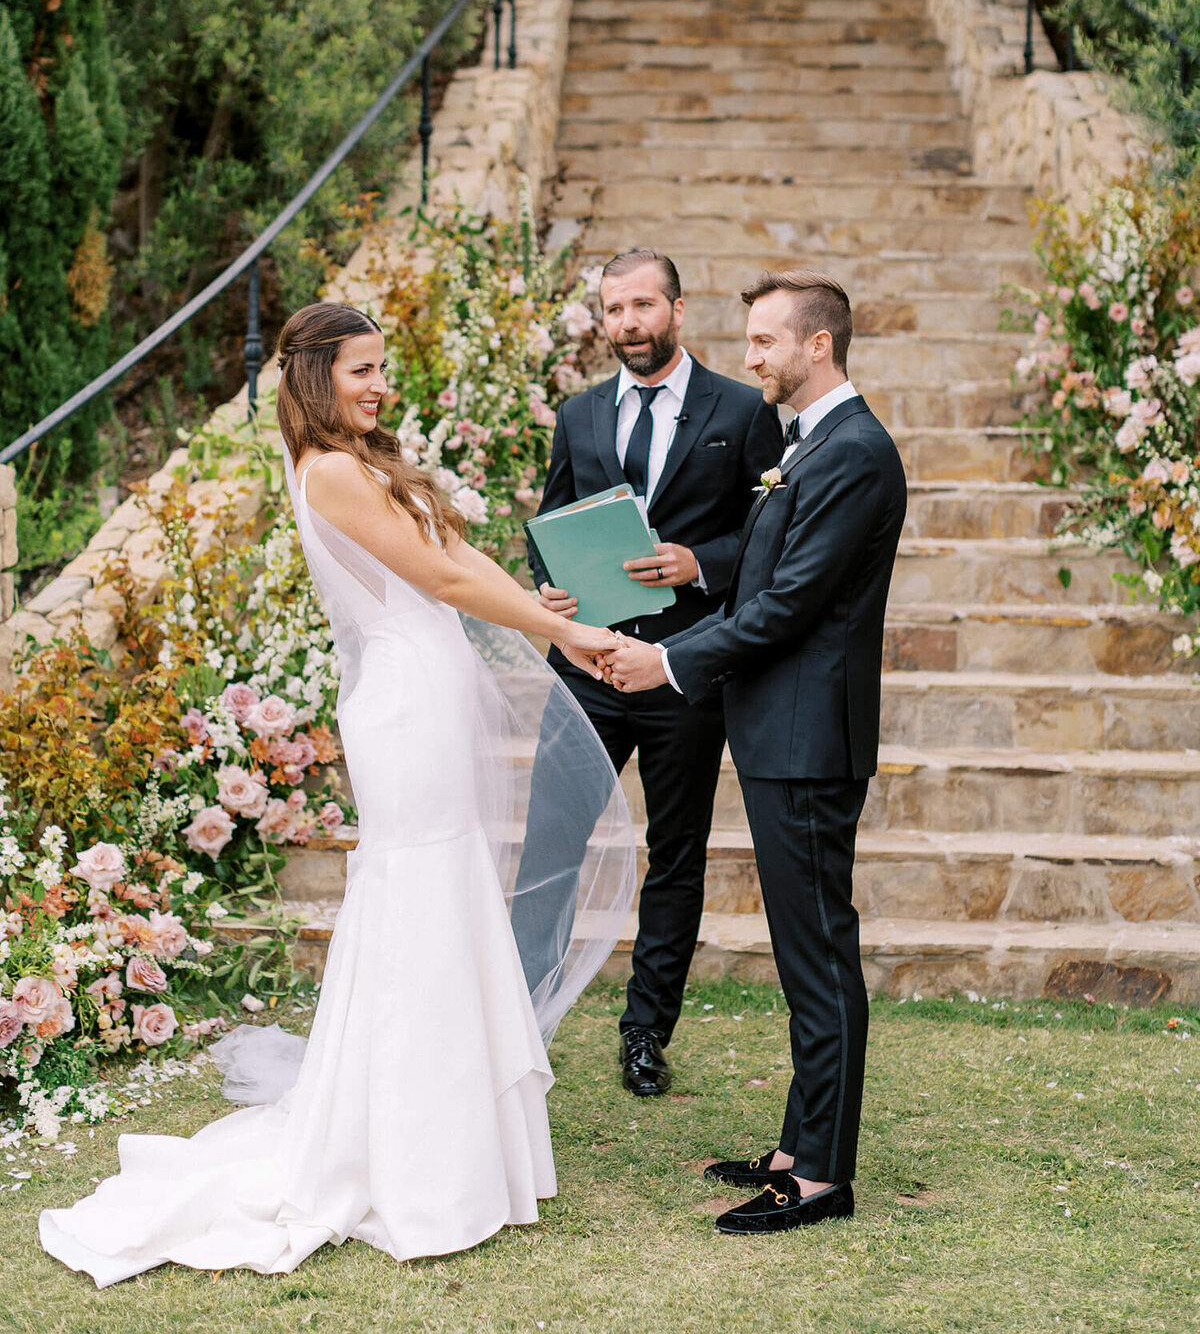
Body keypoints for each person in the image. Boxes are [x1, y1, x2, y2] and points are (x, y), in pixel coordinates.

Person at [40, 303, 636, 1284]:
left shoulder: (370, 463)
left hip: (431, 689)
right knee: (416, 897)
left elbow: (457, 551)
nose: (377, 386)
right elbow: (440, 580)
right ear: (314, 376)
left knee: (447, 894)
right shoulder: (328, 472)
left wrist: (543, 612)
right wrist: (567, 638)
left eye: (380, 370)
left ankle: (467, 1146)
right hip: (404, 705)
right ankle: (411, 1155)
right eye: (359, 370)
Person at [601, 270, 907, 1233]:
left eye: (767, 341)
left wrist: (666, 663)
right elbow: (759, 573)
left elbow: (783, 610)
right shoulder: (808, 446)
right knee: (799, 951)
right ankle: (795, 1144)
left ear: (819, 345)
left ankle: (820, 1177)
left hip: (810, 742)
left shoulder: (856, 453)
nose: (751, 358)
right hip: (780, 734)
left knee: (818, 956)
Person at [518, 248, 783, 1097]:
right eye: (613, 309)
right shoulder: (579, 412)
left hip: (680, 672)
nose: (627, 323)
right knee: (547, 846)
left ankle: (645, 1035)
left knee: (677, 854)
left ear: (675, 307)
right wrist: (549, 585)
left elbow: (771, 538)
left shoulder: (742, 411)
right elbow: (549, 521)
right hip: (588, 665)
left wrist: (696, 562)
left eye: (642, 306)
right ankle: (517, 1015)